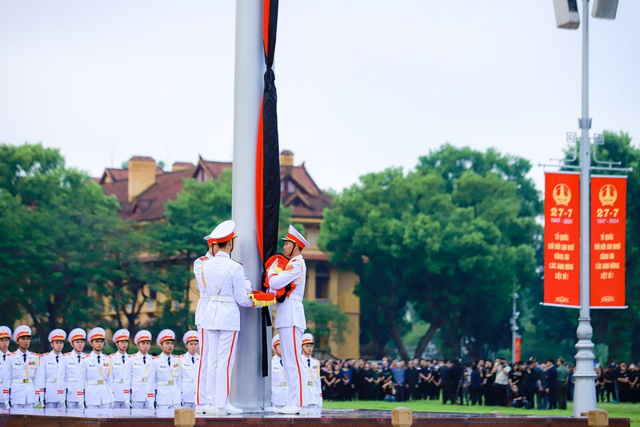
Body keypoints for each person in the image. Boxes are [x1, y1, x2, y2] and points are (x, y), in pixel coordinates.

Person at [200, 219, 256, 415]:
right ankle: (222, 402)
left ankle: (211, 401)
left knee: (212, 359)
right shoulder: (235, 267)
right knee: (225, 360)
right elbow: (242, 299)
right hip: (228, 315)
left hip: (211, 313)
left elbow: (206, 289)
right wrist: (254, 300)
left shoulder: (205, 265)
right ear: (231, 243)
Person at [266, 224, 310, 415]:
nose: (284, 248)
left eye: (287, 244)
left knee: (293, 361)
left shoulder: (296, 264)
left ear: (296, 245)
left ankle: (298, 402)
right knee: (290, 360)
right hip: (287, 314)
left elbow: (275, 282)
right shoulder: (295, 263)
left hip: (291, 315)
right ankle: (296, 401)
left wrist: (272, 270)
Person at [194, 227, 219, 409]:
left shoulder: (224, 262)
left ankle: (215, 398)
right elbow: (206, 286)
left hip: (219, 311)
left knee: (218, 358)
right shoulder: (201, 262)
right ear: (212, 245)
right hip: (206, 311)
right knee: (206, 357)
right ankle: (202, 398)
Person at [3, 325, 41, 408]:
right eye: (23, 339)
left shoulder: (34, 357)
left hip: (30, 395)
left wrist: (37, 397)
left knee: (30, 420)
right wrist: (7, 399)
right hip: (16, 396)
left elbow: (37, 379)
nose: (26, 341)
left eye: (28, 339)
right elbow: (7, 379)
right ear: (17, 341)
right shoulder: (10, 358)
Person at [77, 327, 114, 409]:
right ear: (91, 343)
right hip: (91, 396)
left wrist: (112, 397)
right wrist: (80, 400)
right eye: (96, 341)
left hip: (105, 397)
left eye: (101, 341)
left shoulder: (108, 360)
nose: (99, 344)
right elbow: (81, 381)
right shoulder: (85, 360)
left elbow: (110, 381)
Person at [149, 329, 182, 410]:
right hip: (163, 399)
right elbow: (150, 382)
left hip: (176, 398)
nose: (170, 346)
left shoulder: (177, 360)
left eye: (171, 343)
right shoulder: (155, 361)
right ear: (161, 345)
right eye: (167, 343)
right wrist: (150, 401)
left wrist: (181, 396)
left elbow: (179, 380)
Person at [58, 328, 87, 410]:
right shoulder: (65, 358)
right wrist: (61, 396)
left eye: (82, 342)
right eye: (77, 342)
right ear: (72, 344)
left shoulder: (87, 358)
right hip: (70, 393)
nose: (80, 344)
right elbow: (61, 378)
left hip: (84, 393)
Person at [37, 329, 67, 409]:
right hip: (50, 393)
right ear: (52, 344)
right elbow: (41, 378)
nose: (59, 345)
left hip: (63, 393)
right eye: (57, 343)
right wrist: (42, 397)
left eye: (61, 343)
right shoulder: (45, 358)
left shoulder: (66, 358)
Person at [126, 330, 154, 409]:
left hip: (149, 396)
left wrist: (152, 397)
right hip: (136, 395)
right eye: (143, 343)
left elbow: (152, 380)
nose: (145, 346)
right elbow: (127, 379)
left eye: (147, 343)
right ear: (138, 345)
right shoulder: (131, 359)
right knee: (136, 418)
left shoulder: (153, 360)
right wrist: (126, 398)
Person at [300, 333, 322, 413]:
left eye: (311, 346)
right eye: (307, 346)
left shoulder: (315, 362)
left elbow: (318, 381)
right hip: (303, 396)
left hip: (314, 395)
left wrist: (320, 397)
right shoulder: (298, 362)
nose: (309, 348)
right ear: (302, 347)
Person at [110, 329, 131, 409]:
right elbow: (110, 379)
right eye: (122, 342)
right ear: (116, 343)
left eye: (126, 342)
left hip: (128, 394)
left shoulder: (131, 359)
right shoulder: (111, 358)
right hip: (116, 392)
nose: (124, 344)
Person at [180, 330, 200, 409]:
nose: (193, 346)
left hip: (198, 395)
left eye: (195, 344)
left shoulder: (202, 359)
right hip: (185, 395)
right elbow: (179, 378)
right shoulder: (181, 359)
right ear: (186, 345)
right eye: (191, 344)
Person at [271, 334, 288, 408]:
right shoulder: (270, 362)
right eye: (279, 347)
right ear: (275, 348)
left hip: (288, 397)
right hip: (276, 396)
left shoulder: (289, 363)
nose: (282, 349)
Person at [0, 326, 11, 409]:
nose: (4, 343)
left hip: (10, 393)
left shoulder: (14, 357)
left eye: (6, 340)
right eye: (2, 340)